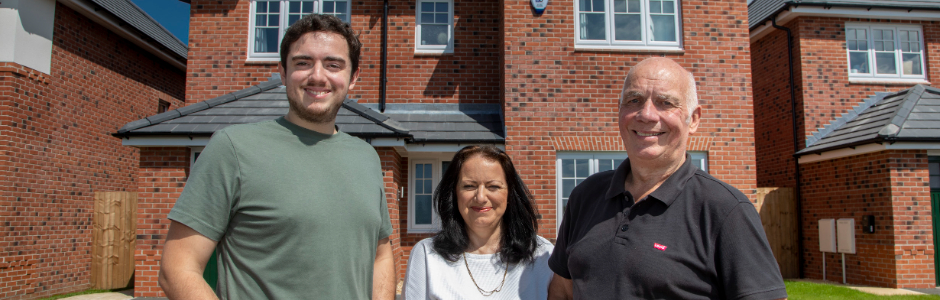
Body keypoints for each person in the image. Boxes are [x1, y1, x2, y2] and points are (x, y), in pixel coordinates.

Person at [158, 14, 394, 300]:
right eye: (303, 63)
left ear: (353, 77)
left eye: (333, 65)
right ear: (283, 73)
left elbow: (381, 255)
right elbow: (178, 268)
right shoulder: (233, 148)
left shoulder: (366, 157)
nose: (317, 75)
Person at [547, 57, 788, 300]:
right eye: (634, 100)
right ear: (619, 110)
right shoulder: (585, 196)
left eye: (665, 103)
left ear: (693, 119)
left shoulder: (726, 210)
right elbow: (563, 291)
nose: (647, 114)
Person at [403, 145, 554, 300]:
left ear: (510, 194)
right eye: (469, 186)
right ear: (454, 193)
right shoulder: (427, 256)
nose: (480, 197)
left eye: (493, 186)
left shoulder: (543, 256)